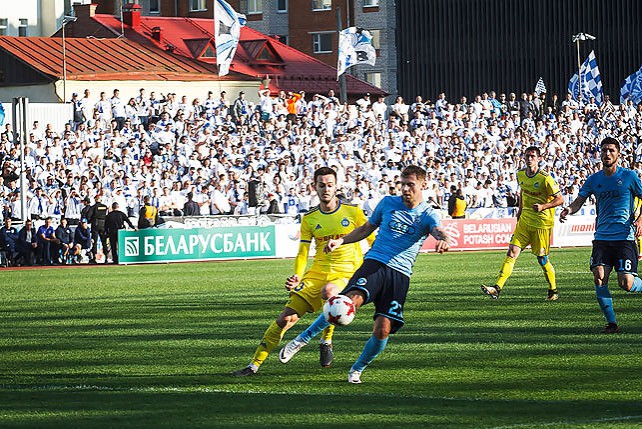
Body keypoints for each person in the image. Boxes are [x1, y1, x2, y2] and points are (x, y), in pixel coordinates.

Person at [279, 165, 450, 384]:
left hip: (400, 275)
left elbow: (437, 229)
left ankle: (357, 369)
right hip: (375, 263)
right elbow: (367, 228)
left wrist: (442, 239)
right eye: (403, 184)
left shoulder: (428, 214)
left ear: (423, 185)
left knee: (383, 329)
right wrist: (341, 240)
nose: (405, 189)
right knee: (347, 303)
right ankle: (302, 339)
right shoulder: (388, 203)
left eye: (410, 185)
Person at [231, 167, 374, 376]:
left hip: (346, 272)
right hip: (316, 272)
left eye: (330, 185)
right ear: (314, 187)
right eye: (321, 185)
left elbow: (372, 240)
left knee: (330, 292)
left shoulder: (353, 212)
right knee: (284, 320)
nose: (326, 189)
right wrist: (297, 275)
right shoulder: (309, 218)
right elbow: (302, 252)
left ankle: (326, 340)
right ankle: (253, 365)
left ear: (337, 187)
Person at [560, 137, 642, 333]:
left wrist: (640, 220)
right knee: (599, 277)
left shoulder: (629, 177)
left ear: (618, 153)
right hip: (602, 238)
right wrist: (568, 210)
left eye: (611, 150)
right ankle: (612, 323)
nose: (607, 153)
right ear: (600, 153)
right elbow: (579, 201)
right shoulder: (594, 180)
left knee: (626, 283)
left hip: (624, 237)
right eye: (604, 150)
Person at [481, 146, 564, 300]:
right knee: (512, 252)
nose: (529, 158)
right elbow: (523, 194)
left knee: (542, 259)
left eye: (532, 156)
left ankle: (553, 291)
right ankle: (497, 288)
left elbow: (560, 199)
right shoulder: (520, 174)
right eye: (527, 155)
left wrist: (543, 206)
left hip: (541, 224)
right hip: (525, 220)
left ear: (539, 158)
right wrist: (519, 211)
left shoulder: (545, 178)